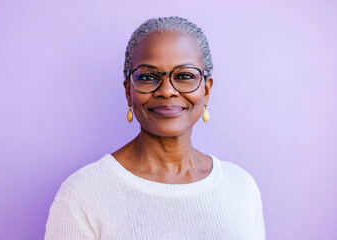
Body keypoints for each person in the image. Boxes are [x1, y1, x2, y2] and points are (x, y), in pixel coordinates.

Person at [45, 16, 265, 240]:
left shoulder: (241, 187)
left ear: (206, 91)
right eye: (149, 77)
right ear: (128, 91)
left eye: (185, 76)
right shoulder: (83, 195)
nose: (167, 91)